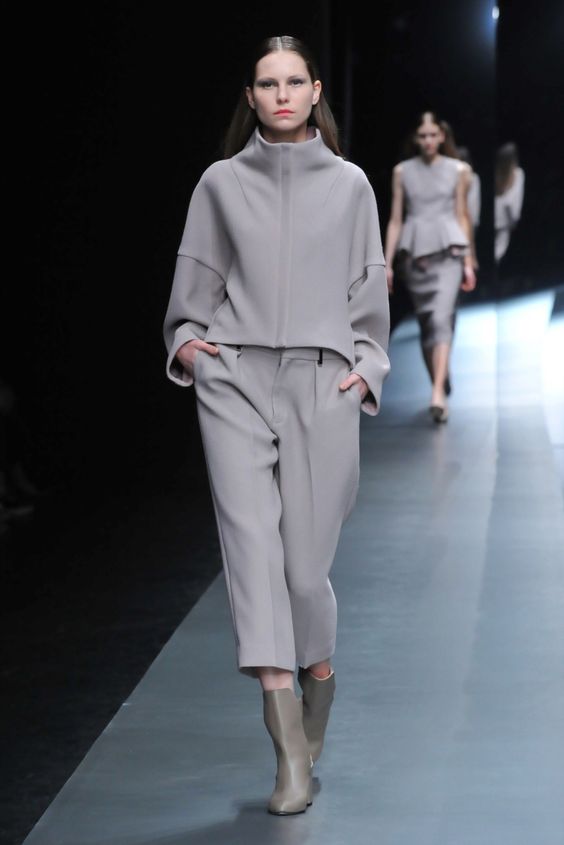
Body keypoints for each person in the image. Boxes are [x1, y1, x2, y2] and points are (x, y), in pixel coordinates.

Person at [162, 35, 390, 815]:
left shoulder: (352, 185)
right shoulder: (220, 183)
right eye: (268, 83)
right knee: (251, 550)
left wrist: (365, 370)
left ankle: (318, 672)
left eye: (295, 81)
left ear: (316, 90)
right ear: (251, 96)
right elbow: (194, 280)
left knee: (302, 571)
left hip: (322, 381)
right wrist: (187, 344)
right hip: (235, 377)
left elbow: (369, 291)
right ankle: (289, 747)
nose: (283, 95)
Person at [385, 111, 477, 423]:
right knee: (427, 326)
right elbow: (396, 219)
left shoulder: (458, 170)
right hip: (415, 257)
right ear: (416, 138)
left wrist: (468, 261)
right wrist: (387, 264)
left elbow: (462, 215)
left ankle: (437, 392)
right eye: (422, 135)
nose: (428, 141)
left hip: (449, 254)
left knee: (440, 319)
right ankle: (439, 377)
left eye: (433, 135)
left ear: (442, 136)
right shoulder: (402, 172)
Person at [495, 142, 525, 263]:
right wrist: (514, 220)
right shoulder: (517, 174)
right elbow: (513, 202)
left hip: (500, 221)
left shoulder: (515, 174)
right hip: (504, 221)